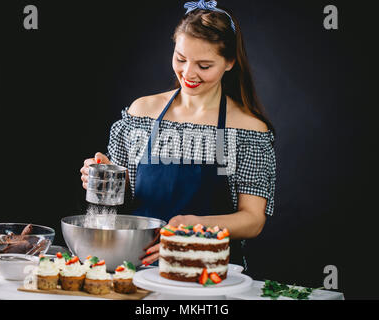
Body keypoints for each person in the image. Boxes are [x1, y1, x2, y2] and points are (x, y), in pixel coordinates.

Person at [80, 0, 276, 266]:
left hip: (209, 271)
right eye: (181, 59)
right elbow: (124, 199)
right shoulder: (141, 113)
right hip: (137, 264)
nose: (188, 73)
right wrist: (104, 177)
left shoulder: (248, 129)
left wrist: (196, 227)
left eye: (204, 66)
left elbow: (253, 220)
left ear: (230, 62)